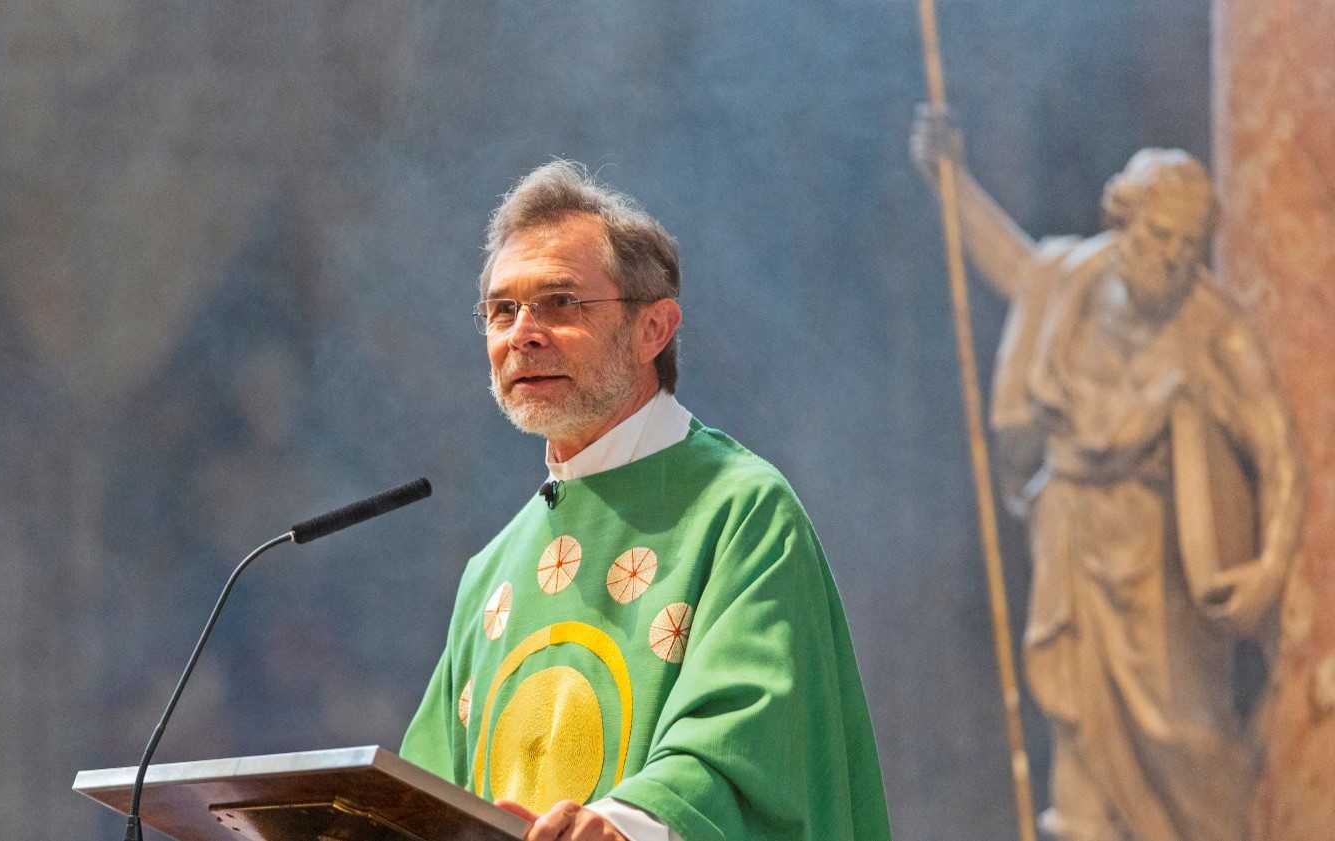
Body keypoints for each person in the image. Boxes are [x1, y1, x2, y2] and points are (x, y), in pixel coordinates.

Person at [399, 161, 891, 841]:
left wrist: (623, 825)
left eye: (560, 303)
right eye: (502, 310)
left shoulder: (740, 511)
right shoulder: (492, 570)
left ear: (652, 328)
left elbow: (750, 746)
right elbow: (421, 800)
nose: (522, 333)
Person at [909, 111, 1304, 841]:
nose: (1174, 261)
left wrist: (1270, 565)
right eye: (1161, 239)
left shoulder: (1215, 326)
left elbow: (1278, 447)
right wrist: (949, 179)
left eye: (1191, 248)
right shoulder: (1071, 281)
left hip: (1162, 572)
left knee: (1190, 745)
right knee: (1080, 746)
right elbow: (1007, 260)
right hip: (1074, 542)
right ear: (1124, 222)